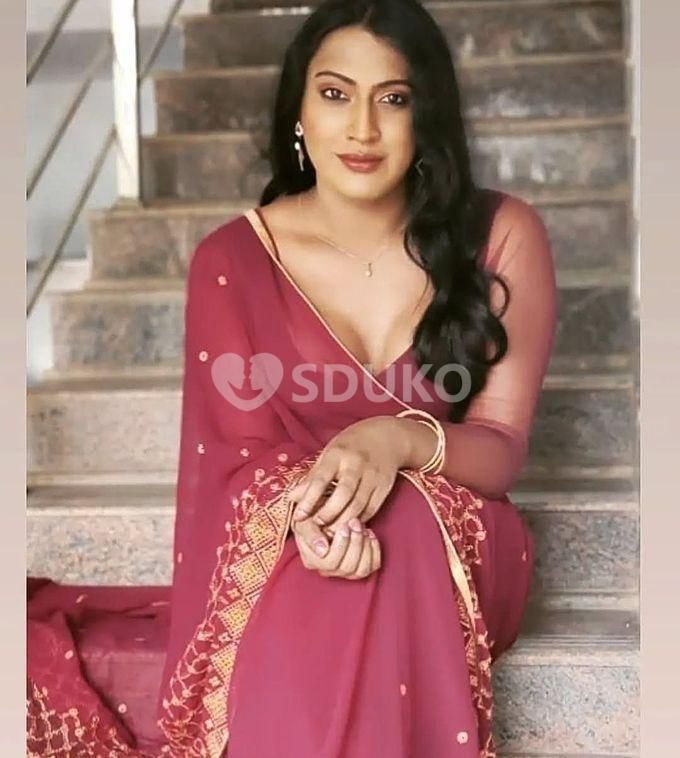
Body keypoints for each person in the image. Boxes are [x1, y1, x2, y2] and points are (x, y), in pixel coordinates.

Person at [27, 1, 557, 756]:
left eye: (393, 98)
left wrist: (395, 441)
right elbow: (239, 463)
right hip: (293, 537)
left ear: (427, 116)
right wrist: (316, 523)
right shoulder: (232, 261)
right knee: (342, 561)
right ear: (300, 112)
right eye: (336, 94)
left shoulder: (501, 236)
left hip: (458, 544)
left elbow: (500, 450)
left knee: (400, 515)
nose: (362, 128)